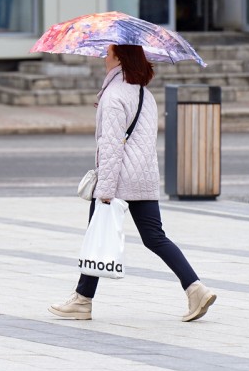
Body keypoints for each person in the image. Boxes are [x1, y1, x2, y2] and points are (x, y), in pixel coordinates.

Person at [49, 44, 217, 322]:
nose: (104, 56)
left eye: (109, 52)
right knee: (155, 237)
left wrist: (104, 190)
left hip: (118, 177)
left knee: (97, 235)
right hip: (144, 176)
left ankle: (82, 301)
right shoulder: (145, 94)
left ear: (120, 57)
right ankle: (195, 288)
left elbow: (112, 146)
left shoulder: (114, 96)